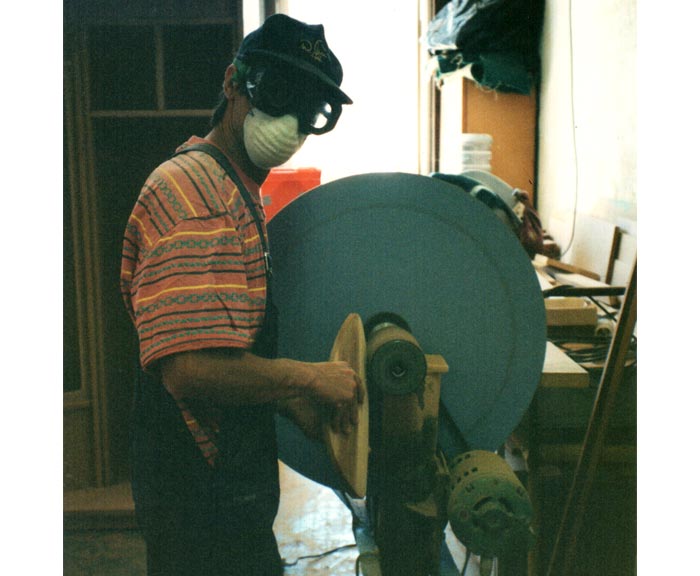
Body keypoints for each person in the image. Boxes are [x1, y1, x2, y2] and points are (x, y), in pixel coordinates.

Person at [120, 14, 360, 576]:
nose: (291, 123)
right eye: (278, 96)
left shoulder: (235, 188)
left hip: (225, 487)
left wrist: (292, 403)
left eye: (309, 111)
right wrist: (307, 377)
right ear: (234, 83)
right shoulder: (195, 193)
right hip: (198, 493)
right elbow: (191, 370)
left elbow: (227, 344)